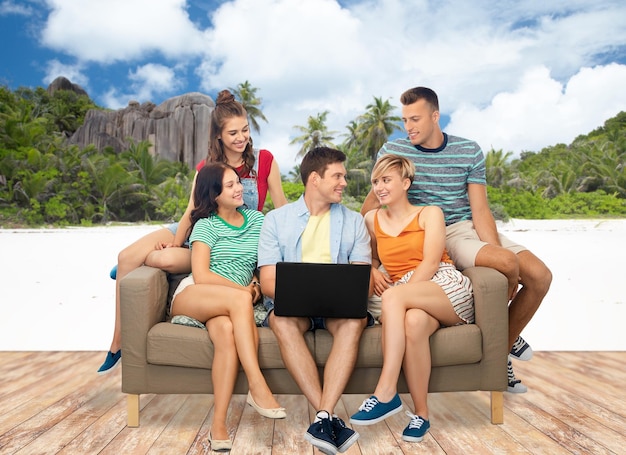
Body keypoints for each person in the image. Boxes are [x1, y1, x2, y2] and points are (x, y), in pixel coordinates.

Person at [361, 86, 552, 393]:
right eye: (405, 120)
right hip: (422, 230)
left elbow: (480, 210)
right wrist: (369, 260)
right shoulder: (394, 151)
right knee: (506, 263)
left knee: (539, 275)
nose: (408, 126)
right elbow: (371, 207)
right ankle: (500, 346)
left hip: (461, 229)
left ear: (435, 116)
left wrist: (496, 253)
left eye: (415, 119)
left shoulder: (468, 150)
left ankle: (500, 343)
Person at [97, 89, 288, 374]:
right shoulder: (206, 168)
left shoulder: (264, 162)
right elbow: (191, 211)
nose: (241, 137)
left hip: (235, 239)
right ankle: (117, 343)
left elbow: (281, 208)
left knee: (163, 261)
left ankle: (147, 259)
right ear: (218, 136)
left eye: (245, 130)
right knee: (126, 256)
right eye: (233, 132)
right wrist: (176, 242)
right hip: (202, 227)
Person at [348, 154, 474, 442]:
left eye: (386, 180)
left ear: (405, 183)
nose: (379, 187)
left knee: (394, 298)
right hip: (408, 294)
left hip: (442, 283)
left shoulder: (430, 213)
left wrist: (401, 295)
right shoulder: (372, 219)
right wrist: (372, 270)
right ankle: (421, 415)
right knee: (414, 323)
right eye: (376, 181)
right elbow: (373, 257)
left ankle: (386, 391)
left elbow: (430, 263)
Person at [257, 146, 373, 455]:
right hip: (292, 306)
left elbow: (361, 277)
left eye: (344, 176)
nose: (344, 183)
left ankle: (322, 416)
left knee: (354, 320)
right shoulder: (276, 220)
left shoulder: (354, 222)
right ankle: (329, 417)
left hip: (339, 308)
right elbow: (268, 282)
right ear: (314, 179)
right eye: (337, 176)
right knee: (280, 319)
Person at [170, 162, 285, 451]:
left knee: (225, 333)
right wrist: (244, 291)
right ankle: (257, 385)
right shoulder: (205, 226)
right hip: (196, 294)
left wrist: (256, 285)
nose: (240, 188)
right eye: (231, 185)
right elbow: (203, 275)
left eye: (239, 182)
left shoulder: (258, 221)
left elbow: (265, 262)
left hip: (229, 305)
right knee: (238, 301)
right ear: (214, 194)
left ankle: (218, 425)